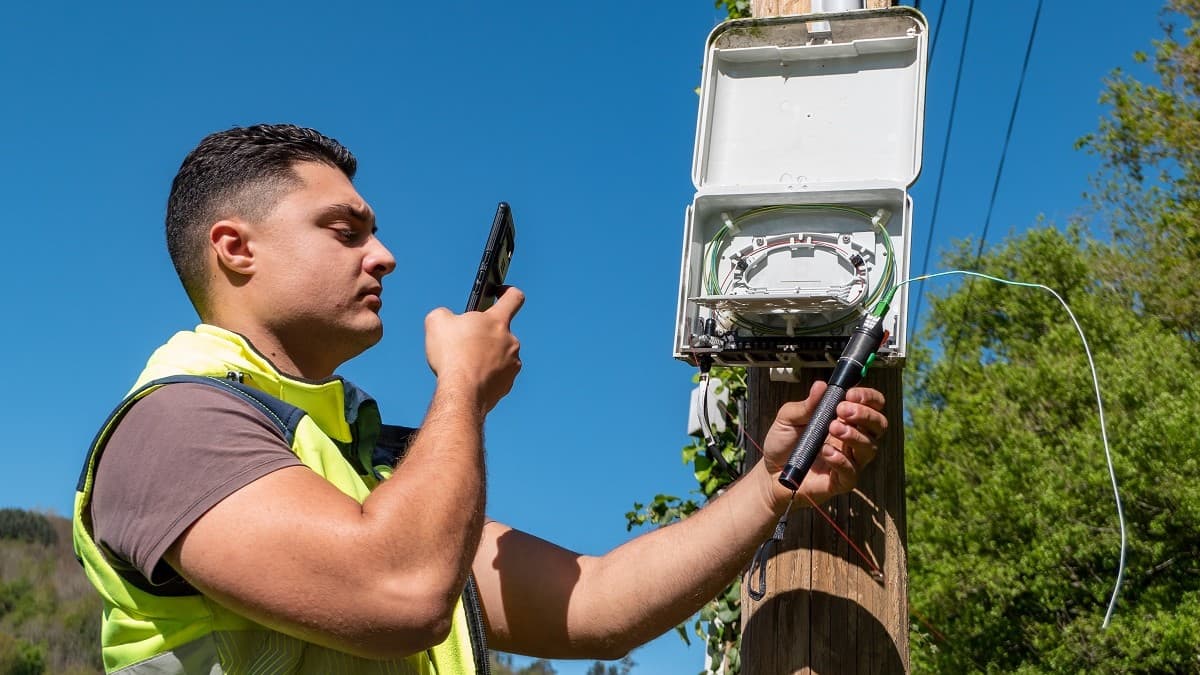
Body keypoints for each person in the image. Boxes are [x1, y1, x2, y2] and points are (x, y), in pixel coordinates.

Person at [72, 124, 888, 674]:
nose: (384, 256)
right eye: (345, 230)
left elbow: (596, 601)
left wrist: (770, 483)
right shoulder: (173, 427)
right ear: (235, 248)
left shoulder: (367, 462)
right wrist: (461, 386)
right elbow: (401, 593)